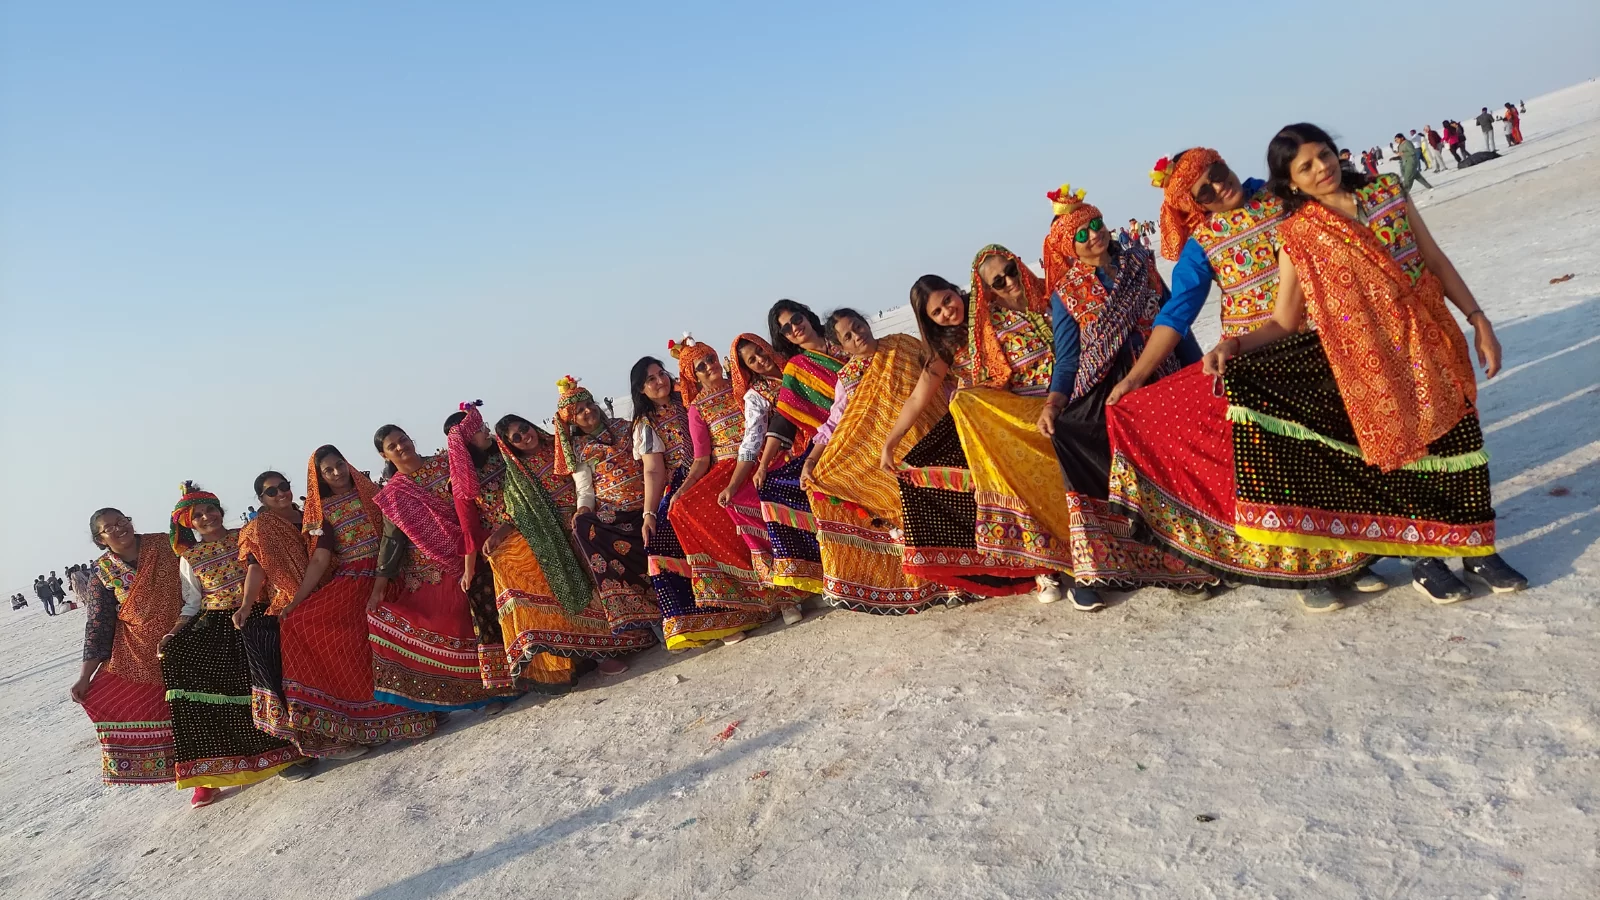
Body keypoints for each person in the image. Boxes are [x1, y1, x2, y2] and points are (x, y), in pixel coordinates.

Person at [1204, 122, 1528, 602]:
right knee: (1405, 459)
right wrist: (1234, 344)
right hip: (1369, 362)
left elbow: (1434, 260)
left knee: (1462, 443)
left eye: (1324, 154)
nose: (1322, 168)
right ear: (1291, 182)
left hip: (1431, 337)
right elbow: (1285, 320)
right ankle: (1425, 560)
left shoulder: (1386, 192)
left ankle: (1479, 551)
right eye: (1306, 167)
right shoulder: (1298, 235)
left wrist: (1478, 319)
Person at [1104, 149, 1381, 611]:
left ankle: (1353, 557)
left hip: (1322, 342)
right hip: (1254, 361)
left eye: (1217, 173)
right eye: (1204, 192)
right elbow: (1177, 312)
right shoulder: (1202, 243)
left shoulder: (1281, 196)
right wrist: (1137, 377)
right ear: (1195, 205)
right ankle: (1304, 569)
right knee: (1284, 469)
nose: (1219, 187)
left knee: (1339, 453)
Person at [1036, 189, 1216, 607]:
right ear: (1069, 248)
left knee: (1174, 467)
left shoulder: (1141, 264)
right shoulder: (1066, 294)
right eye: (1082, 234)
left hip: (1161, 375)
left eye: (1096, 224)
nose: (1094, 235)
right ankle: (1112, 565)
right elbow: (1069, 358)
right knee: (1099, 457)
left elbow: (1174, 321)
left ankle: (1197, 554)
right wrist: (1054, 404)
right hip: (1111, 394)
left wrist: (1197, 371)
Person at [456, 404, 652, 682]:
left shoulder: (560, 447)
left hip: (592, 514)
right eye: (516, 437)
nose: (525, 436)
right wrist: (499, 535)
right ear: (510, 446)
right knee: (577, 590)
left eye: (524, 428)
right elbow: (517, 512)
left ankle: (640, 631)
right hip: (556, 534)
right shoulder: (518, 473)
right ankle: (604, 654)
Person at [881, 274, 1042, 600]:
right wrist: (890, 443)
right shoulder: (944, 347)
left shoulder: (991, 311)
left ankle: (1046, 561)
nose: (947, 312)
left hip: (1028, 405)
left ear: (956, 290)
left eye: (947, 300)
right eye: (936, 312)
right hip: (980, 424)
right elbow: (917, 398)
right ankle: (1016, 566)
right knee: (917, 473)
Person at [800, 308, 951, 614]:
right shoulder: (847, 378)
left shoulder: (902, 345)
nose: (858, 336)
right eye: (848, 336)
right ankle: (935, 582)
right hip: (886, 456)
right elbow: (836, 423)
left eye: (858, 326)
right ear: (841, 347)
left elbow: (940, 377)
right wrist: (812, 461)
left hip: (932, 434)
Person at [283, 446, 437, 748]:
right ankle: (365, 719)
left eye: (339, 464)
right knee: (306, 625)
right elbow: (320, 558)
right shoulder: (324, 511)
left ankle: (426, 707)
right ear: (320, 478)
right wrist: (297, 601)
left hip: (391, 570)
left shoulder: (372, 493)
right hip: (354, 579)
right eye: (328, 470)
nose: (337, 473)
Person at [162, 483, 301, 799]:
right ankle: (210, 772)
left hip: (260, 613)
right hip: (219, 624)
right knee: (177, 660)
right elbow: (192, 602)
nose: (207, 517)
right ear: (190, 524)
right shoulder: (190, 557)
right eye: (198, 515)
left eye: (210, 510)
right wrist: (173, 633)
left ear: (220, 510)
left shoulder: (245, 536)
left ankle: (292, 750)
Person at [369, 425, 521, 713]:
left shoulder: (446, 463)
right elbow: (392, 540)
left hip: (480, 545)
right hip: (436, 565)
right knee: (457, 624)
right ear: (384, 455)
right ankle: (487, 692)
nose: (401, 446)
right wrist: (379, 587)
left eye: (403, 439)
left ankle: (521, 673)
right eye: (392, 446)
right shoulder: (393, 494)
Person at [634, 350, 771, 647]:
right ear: (641, 390)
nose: (659, 381)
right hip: (684, 477)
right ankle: (719, 619)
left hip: (723, 464)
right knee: (670, 526)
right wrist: (649, 513)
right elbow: (654, 471)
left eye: (661, 374)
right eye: (650, 380)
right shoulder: (647, 424)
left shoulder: (686, 399)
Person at [665, 336, 786, 639]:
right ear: (693, 377)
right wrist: (682, 490)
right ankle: (747, 602)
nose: (710, 367)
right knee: (685, 509)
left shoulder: (742, 384)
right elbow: (701, 459)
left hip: (764, 454)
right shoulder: (697, 408)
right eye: (701, 366)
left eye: (710, 359)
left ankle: (788, 590)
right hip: (726, 467)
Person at [72, 509, 182, 795]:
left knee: (198, 706)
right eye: (110, 527)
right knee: (163, 713)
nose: (120, 528)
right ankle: (194, 777)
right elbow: (99, 623)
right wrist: (85, 676)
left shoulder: (166, 544)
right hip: (139, 654)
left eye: (123, 521)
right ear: (100, 539)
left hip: (187, 638)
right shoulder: (102, 572)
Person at [553, 376, 666, 640]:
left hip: (649, 502)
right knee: (584, 528)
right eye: (579, 411)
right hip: (616, 514)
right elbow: (585, 489)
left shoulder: (625, 426)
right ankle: (651, 617)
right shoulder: (577, 450)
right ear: (572, 420)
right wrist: (583, 509)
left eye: (589, 404)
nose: (588, 411)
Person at [233, 471, 323, 779]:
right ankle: (309, 743)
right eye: (272, 491)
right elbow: (256, 569)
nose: (281, 493)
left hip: (327, 591)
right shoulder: (259, 529)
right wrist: (246, 605)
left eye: (284, 487)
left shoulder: (310, 515)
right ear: (261, 498)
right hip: (289, 603)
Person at [720, 330, 814, 623]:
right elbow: (752, 440)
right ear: (747, 369)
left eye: (760, 351)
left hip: (829, 432)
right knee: (765, 493)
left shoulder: (796, 364)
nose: (761, 360)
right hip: (794, 451)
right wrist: (733, 485)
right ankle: (790, 592)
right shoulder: (756, 395)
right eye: (752, 360)